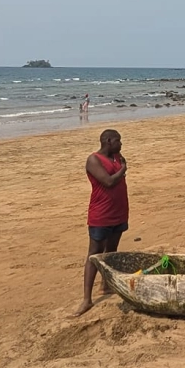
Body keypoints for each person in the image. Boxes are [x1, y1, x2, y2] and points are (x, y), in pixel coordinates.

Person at [79, 128, 129, 315]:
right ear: (108, 141)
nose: (121, 144)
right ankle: (87, 299)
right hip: (101, 214)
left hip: (118, 211)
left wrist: (121, 166)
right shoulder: (94, 160)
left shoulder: (116, 157)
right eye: (118, 141)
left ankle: (105, 285)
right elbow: (108, 182)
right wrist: (123, 169)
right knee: (94, 253)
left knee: (112, 250)